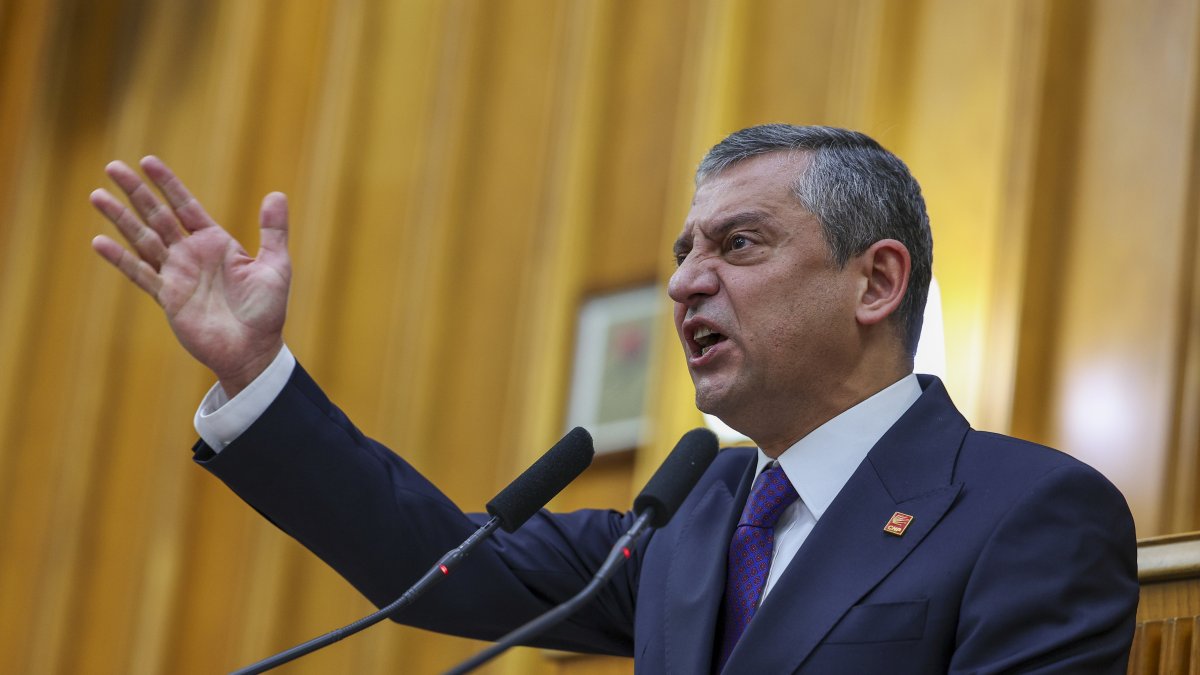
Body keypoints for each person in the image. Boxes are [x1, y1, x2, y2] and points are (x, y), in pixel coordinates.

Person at [91, 125, 1138, 673]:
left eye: (738, 245)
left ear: (876, 283)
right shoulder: (689, 516)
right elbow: (447, 573)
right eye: (684, 251)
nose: (685, 280)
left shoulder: (1030, 512)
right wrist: (252, 375)